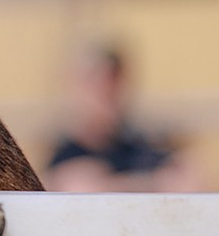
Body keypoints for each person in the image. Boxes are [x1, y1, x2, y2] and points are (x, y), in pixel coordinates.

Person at [44, 43, 203, 193]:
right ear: (74, 86)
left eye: (113, 80)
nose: (106, 90)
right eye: (95, 81)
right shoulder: (63, 156)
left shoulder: (141, 148)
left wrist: (110, 184)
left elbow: (192, 181)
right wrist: (151, 184)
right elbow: (71, 188)